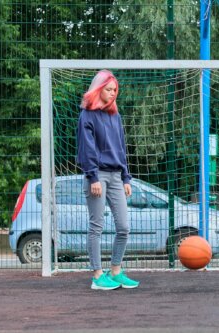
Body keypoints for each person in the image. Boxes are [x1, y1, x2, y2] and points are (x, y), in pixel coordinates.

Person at [77, 69, 140, 290]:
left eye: (115, 90)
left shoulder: (115, 115)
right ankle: (97, 276)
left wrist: (126, 177)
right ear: (98, 89)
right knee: (97, 226)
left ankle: (115, 271)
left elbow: (121, 148)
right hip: (97, 176)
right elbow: (87, 148)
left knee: (123, 226)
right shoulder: (87, 115)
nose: (112, 93)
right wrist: (93, 176)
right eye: (108, 89)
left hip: (116, 176)